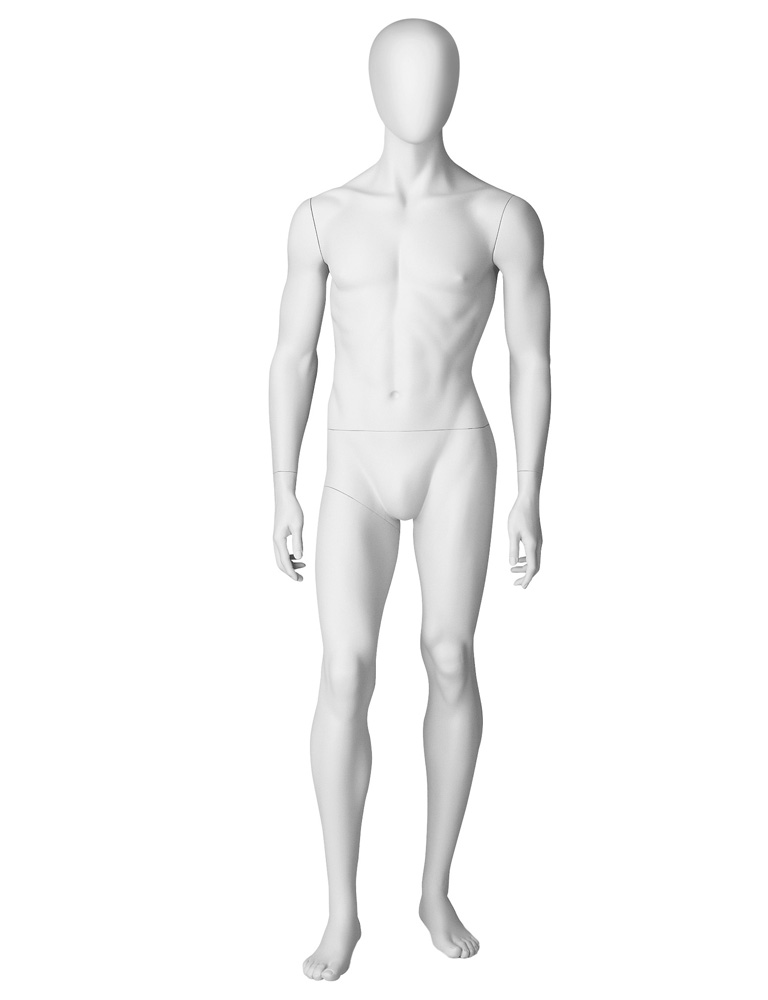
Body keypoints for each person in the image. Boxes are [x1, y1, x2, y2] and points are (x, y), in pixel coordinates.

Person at [268, 18, 551, 982]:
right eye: (402, 72)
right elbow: (293, 355)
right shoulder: (321, 216)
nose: (418, 90)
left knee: (450, 658)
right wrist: (279, 486)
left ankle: (434, 890)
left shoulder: (500, 217)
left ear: (457, 85)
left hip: (454, 456)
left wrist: (531, 490)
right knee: (344, 671)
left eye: (435, 73)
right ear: (374, 85)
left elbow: (531, 358)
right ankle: (341, 910)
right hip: (352, 460)